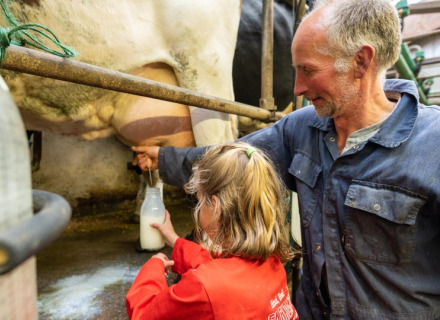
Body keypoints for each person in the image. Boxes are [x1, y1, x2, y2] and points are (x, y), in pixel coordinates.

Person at [132, 0, 440, 318]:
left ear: (360, 61)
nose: (297, 87)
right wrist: (163, 158)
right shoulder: (301, 128)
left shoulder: (433, 144)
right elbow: (228, 161)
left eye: (308, 70)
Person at [126, 142, 298, 320]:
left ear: (215, 207)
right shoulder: (273, 259)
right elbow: (219, 266)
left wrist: (152, 271)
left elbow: (144, 315)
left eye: (200, 201)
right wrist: (174, 240)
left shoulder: (205, 286)